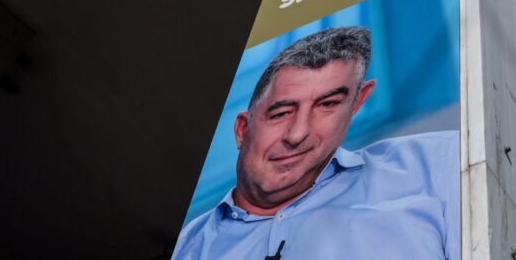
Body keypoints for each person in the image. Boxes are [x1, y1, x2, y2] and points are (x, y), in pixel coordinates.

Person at [173, 26, 459, 260]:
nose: (297, 134)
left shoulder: (435, 166)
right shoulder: (185, 248)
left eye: (328, 104)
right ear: (242, 129)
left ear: (357, 103)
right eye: (281, 113)